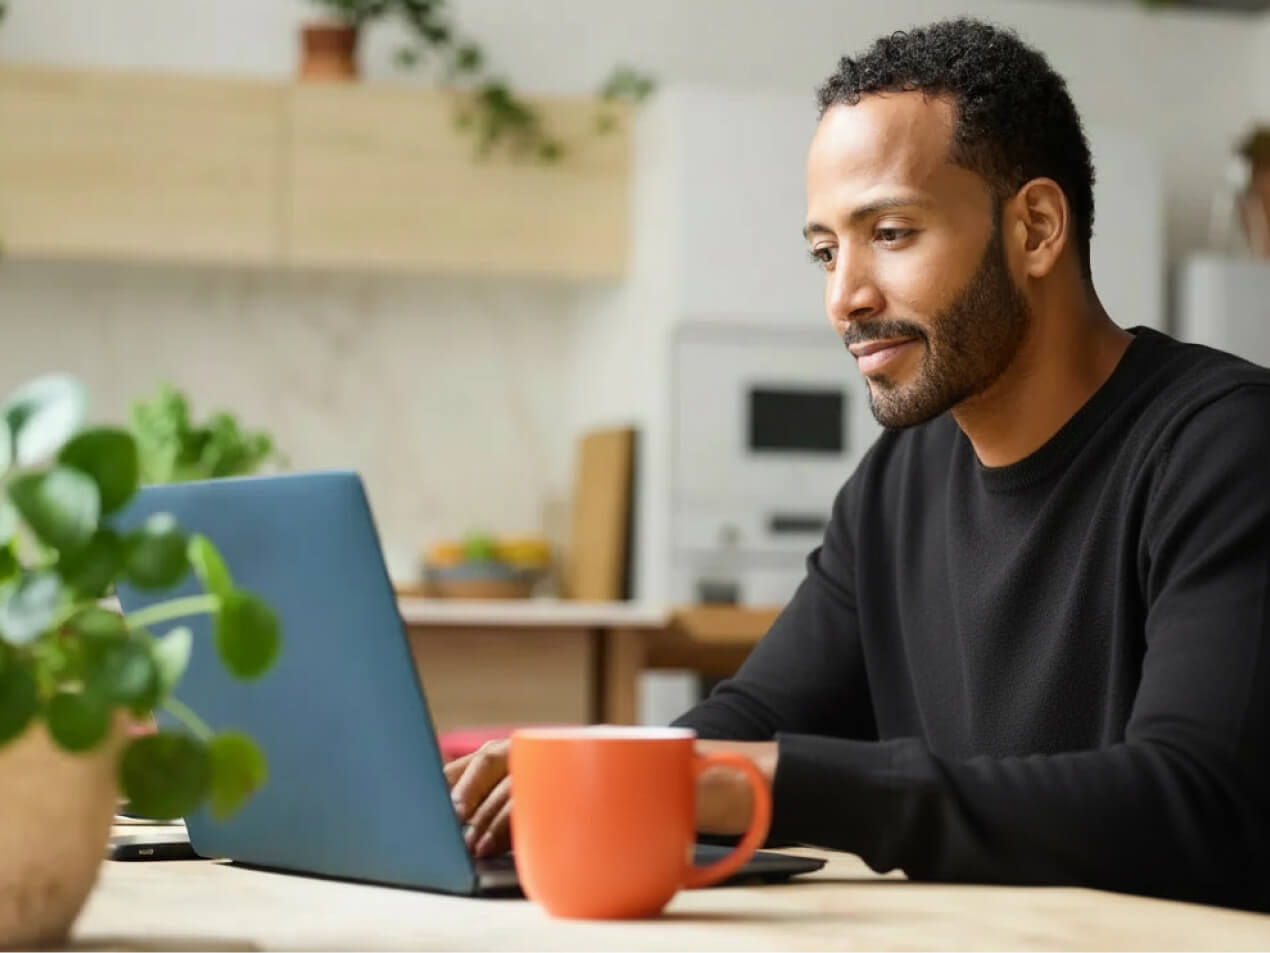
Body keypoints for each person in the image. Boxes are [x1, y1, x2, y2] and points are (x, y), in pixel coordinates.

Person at [445, 17, 1270, 911]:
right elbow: (752, 722)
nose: (846, 297)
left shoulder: (1227, 446)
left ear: (1035, 228)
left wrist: (773, 780)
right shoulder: (894, 484)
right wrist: (599, 771)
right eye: (826, 251)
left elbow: (1194, 802)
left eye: (891, 232)